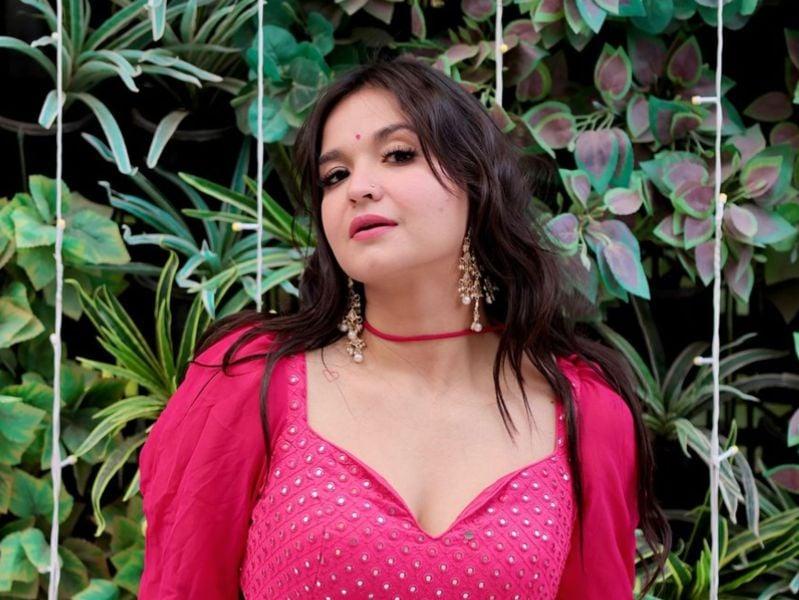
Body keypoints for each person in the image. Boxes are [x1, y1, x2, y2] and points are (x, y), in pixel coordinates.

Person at [137, 53, 670, 599]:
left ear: (475, 181)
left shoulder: (584, 413)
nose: (358, 188)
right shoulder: (248, 387)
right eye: (335, 176)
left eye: (398, 154)